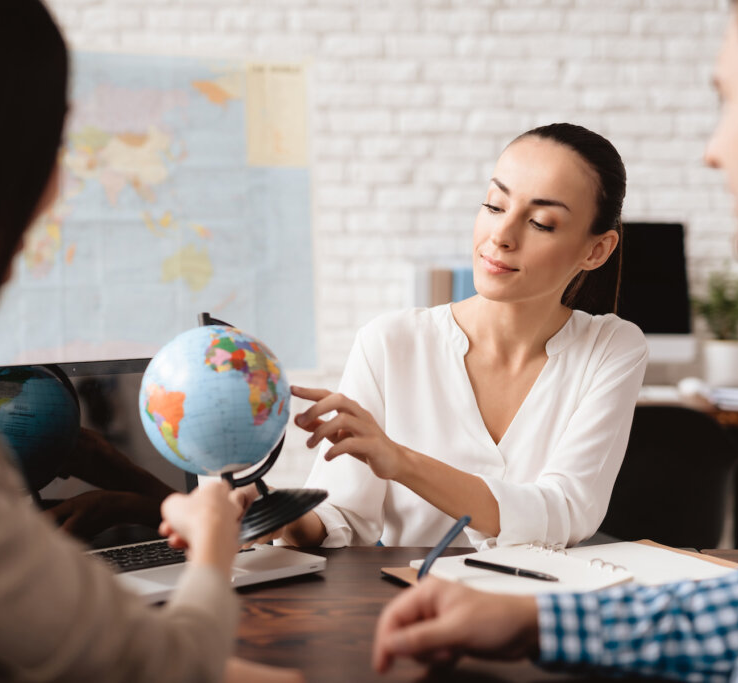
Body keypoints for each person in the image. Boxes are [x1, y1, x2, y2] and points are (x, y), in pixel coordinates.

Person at [373, 0, 738, 679]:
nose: (711, 151)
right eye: (494, 203)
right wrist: (539, 621)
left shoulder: (612, 346)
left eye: (728, 99)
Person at [0, 1, 298, 681]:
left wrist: (137, 490)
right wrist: (213, 545)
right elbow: (170, 664)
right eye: (49, 145)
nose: (55, 188)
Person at [273, 124, 649, 550]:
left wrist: (402, 461)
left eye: (541, 223)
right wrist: (276, 516)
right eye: (494, 205)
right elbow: (340, 515)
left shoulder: (611, 349)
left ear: (596, 250)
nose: (501, 237)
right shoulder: (390, 342)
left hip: (536, 607)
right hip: (411, 605)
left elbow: (564, 512)